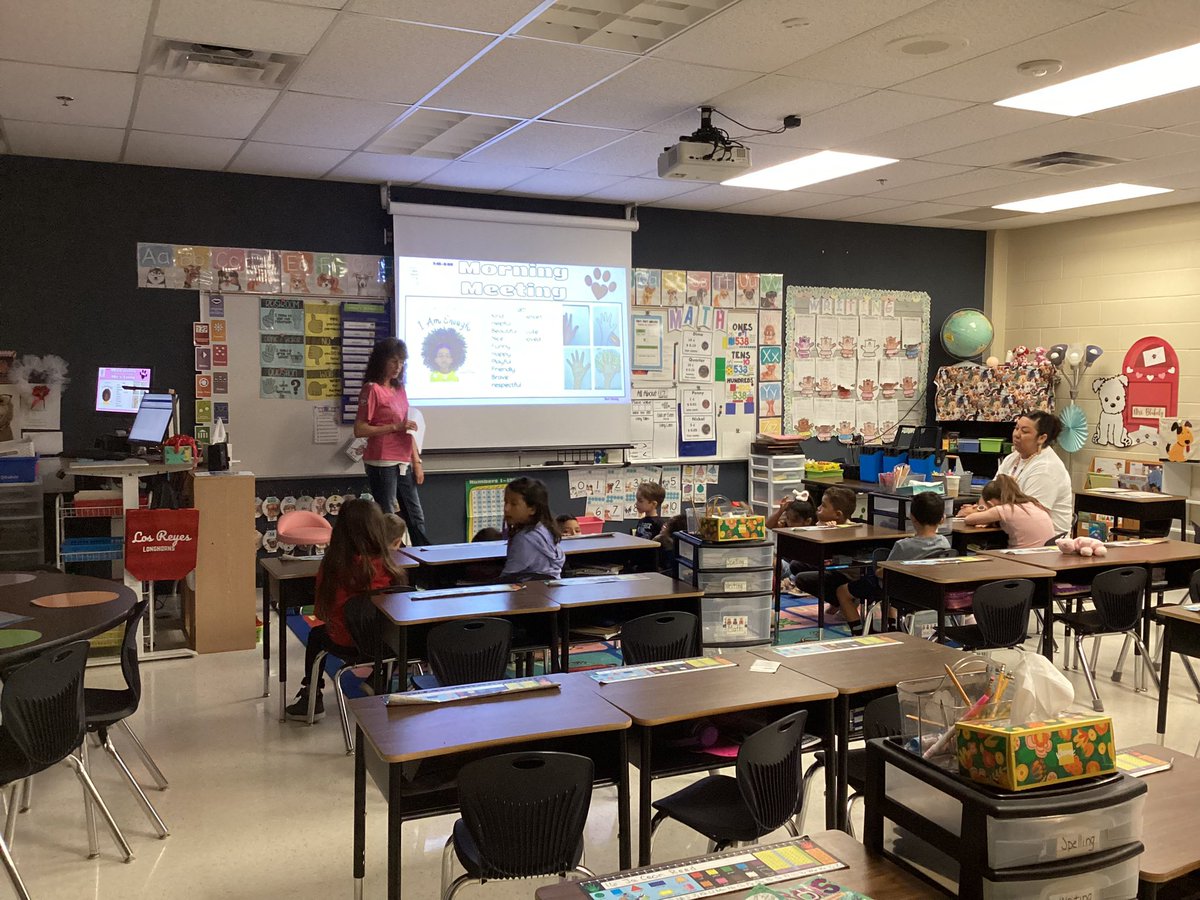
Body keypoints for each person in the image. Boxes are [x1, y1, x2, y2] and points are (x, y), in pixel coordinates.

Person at [286, 500, 408, 721]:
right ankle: (377, 680)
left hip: (347, 641)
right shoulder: (392, 566)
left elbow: (323, 613)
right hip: (389, 643)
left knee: (316, 635)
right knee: (391, 631)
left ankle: (311, 699)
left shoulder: (333, 565)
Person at [834, 491, 950, 635]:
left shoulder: (903, 545)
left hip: (900, 592)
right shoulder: (945, 543)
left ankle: (858, 630)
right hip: (928, 593)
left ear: (912, 517)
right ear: (942, 519)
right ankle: (892, 624)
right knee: (896, 583)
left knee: (843, 591)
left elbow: (884, 572)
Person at [354, 338, 429, 545]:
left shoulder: (400, 389)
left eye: (402, 362)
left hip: (403, 460)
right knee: (388, 517)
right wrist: (394, 427)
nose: (398, 367)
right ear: (382, 361)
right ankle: (389, 561)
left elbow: (408, 428)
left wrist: (417, 461)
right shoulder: (372, 389)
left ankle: (424, 561)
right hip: (382, 460)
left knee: (415, 515)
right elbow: (359, 429)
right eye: (393, 361)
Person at [989, 411, 1073, 536]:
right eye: (1016, 428)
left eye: (1025, 431)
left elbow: (1029, 514)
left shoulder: (1047, 468)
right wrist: (979, 509)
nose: (1017, 434)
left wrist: (983, 514)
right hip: (1011, 532)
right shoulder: (1012, 458)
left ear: (1041, 438)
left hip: (1046, 543)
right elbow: (990, 493)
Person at [963, 475, 1056, 549]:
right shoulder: (1033, 503)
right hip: (1044, 554)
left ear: (991, 503)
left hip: (1022, 557)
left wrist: (986, 517)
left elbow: (969, 519)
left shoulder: (1006, 509)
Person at [500, 477, 564, 581]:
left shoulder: (524, 539)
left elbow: (507, 578)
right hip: (548, 589)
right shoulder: (545, 528)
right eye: (505, 502)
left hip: (529, 592)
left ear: (532, 509)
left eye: (513, 504)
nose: (506, 509)